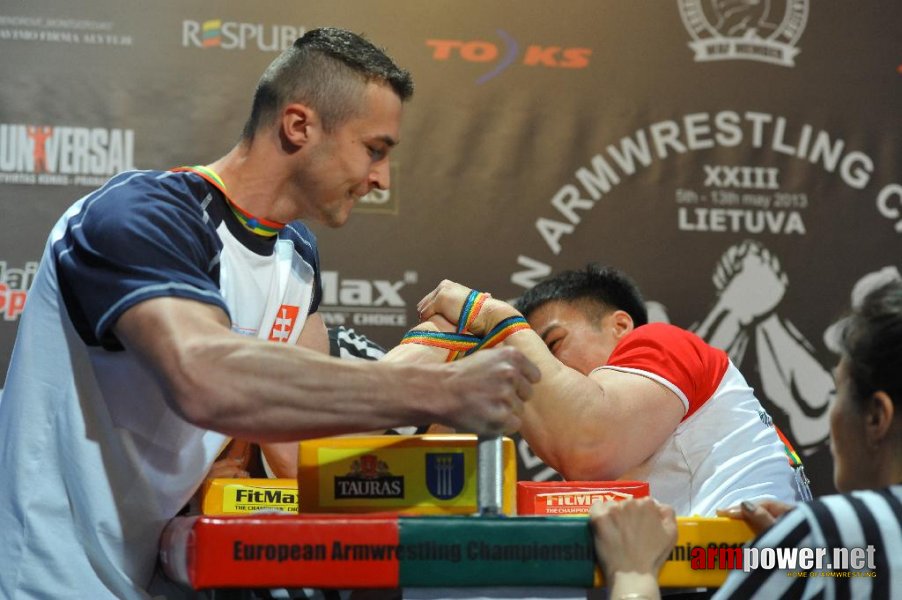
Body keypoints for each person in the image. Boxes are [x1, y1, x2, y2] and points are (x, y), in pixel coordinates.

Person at [0, 28, 540, 599]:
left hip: (148, 577)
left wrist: (439, 348)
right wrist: (441, 390)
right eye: (374, 149)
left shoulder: (295, 256)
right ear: (299, 126)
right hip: (43, 575)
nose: (382, 178)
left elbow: (296, 447)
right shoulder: (141, 214)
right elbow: (205, 378)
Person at [589, 279, 902, 599]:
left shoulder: (836, 534)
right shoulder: (842, 554)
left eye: (839, 393)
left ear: (877, 417)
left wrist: (633, 571)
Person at [415, 264, 801, 516]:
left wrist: (497, 320)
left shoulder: (665, 341)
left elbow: (589, 443)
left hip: (750, 576)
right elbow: (436, 500)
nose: (542, 370)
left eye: (551, 345)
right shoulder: (600, 439)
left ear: (620, 326)